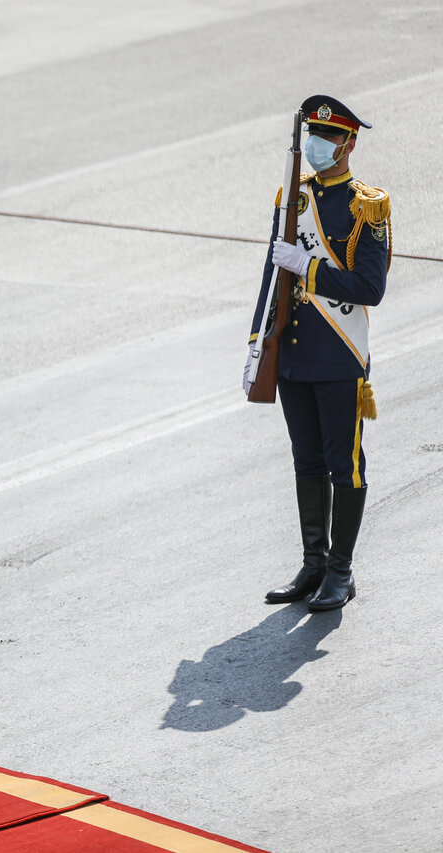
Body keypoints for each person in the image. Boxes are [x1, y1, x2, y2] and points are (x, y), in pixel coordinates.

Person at [248, 95, 390, 612]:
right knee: (305, 460)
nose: (317, 146)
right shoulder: (294, 199)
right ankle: (313, 563)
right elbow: (271, 278)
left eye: (328, 139)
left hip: (338, 356)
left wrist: (306, 268)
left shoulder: (367, 205)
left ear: (349, 144)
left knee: (343, 465)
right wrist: (258, 344)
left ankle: (341, 571)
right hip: (294, 354)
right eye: (313, 136)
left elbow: (369, 287)